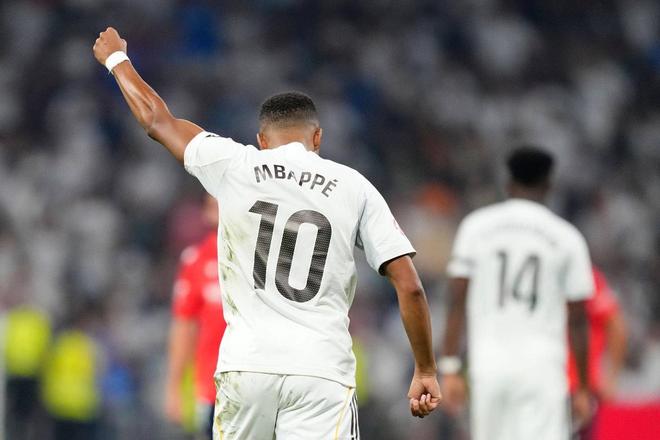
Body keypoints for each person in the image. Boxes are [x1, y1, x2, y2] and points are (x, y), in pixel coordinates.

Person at [93, 27, 441, 438]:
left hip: (246, 366)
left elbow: (156, 120)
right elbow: (410, 286)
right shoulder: (355, 186)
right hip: (320, 370)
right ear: (317, 137)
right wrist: (425, 369)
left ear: (261, 140)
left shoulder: (236, 165)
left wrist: (117, 60)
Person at [440, 146, 594, 440]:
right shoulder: (567, 238)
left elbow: (456, 299)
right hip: (543, 367)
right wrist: (584, 389)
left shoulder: (475, 227)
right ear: (548, 186)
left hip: (489, 364)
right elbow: (578, 319)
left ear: (508, 184)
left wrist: (449, 367)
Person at [165, 195, 226, 439]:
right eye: (210, 202)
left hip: (258, 382)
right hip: (213, 387)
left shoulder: (261, 254)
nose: (215, 206)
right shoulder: (197, 259)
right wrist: (174, 387)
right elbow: (184, 326)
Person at [568, 267, 627, 439]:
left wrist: (611, 377)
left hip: (577, 387)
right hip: (549, 383)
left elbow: (616, 326)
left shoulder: (585, 277)